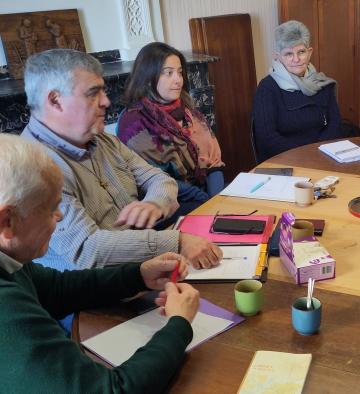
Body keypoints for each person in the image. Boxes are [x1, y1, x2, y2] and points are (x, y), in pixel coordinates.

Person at [0, 133, 200, 392]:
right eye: (50, 209)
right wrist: (179, 325)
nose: (60, 217)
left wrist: (138, 275)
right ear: (7, 222)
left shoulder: (11, 261)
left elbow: (56, 288)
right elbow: (113, 390)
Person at [21, 48, 222, 271]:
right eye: (93, 93)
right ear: (55, 100)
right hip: (96, 295)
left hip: (142, 268)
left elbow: (160, 179)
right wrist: (177, 241)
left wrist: (155, 202)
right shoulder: (33, 168)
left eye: (103, 91)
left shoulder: (104, 141)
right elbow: (88, 249)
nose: (106, 101)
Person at [119, 42, 225, 217]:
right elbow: (155, 179)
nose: (178, 80)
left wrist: (217, 198)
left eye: (180, 72)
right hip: (168, 203)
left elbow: (214, 163)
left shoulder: (188, 110)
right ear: (148, 76)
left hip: (205, 193)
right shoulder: (133, 122)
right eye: (168, 73)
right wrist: (207, 201)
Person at [252, 20, 348, 162]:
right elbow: (267, 137)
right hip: (285, 161)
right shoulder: (267, 88)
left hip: (323, 156)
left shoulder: (323, 83)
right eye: (289, 54)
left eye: (301, 52)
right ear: (278, 57)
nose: (296, 59)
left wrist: (318, 152)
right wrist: (306, 155)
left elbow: (335, 124)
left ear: (309, 53)